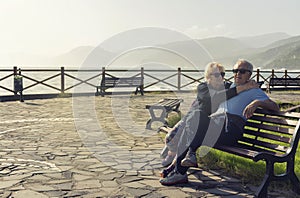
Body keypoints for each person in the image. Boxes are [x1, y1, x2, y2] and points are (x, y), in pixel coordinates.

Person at [159, 59, 279, 185]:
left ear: (249, 74)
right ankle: (183, 165)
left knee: (192, 127)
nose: (238, 74)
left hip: (230, 129)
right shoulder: (230, 87)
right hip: (215, 125)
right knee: (196, 115)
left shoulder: (254, 90)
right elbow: (213, 96)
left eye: (242, 71)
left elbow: (275, 106)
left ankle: (180, 168)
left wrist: (257, 102)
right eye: (235, 71)